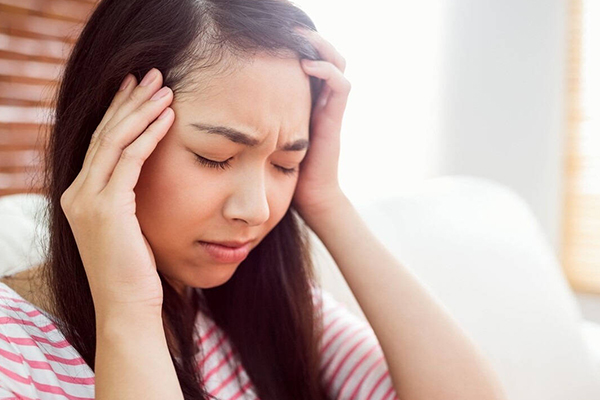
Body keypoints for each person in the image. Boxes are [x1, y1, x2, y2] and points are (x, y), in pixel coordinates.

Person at [0, 0, 507, 399]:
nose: (258, 209)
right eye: (215, 156)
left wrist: (326, 200)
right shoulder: (12, 348)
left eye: (284, 164)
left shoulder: (260, 307)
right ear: (108, 135)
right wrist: (129, 310)